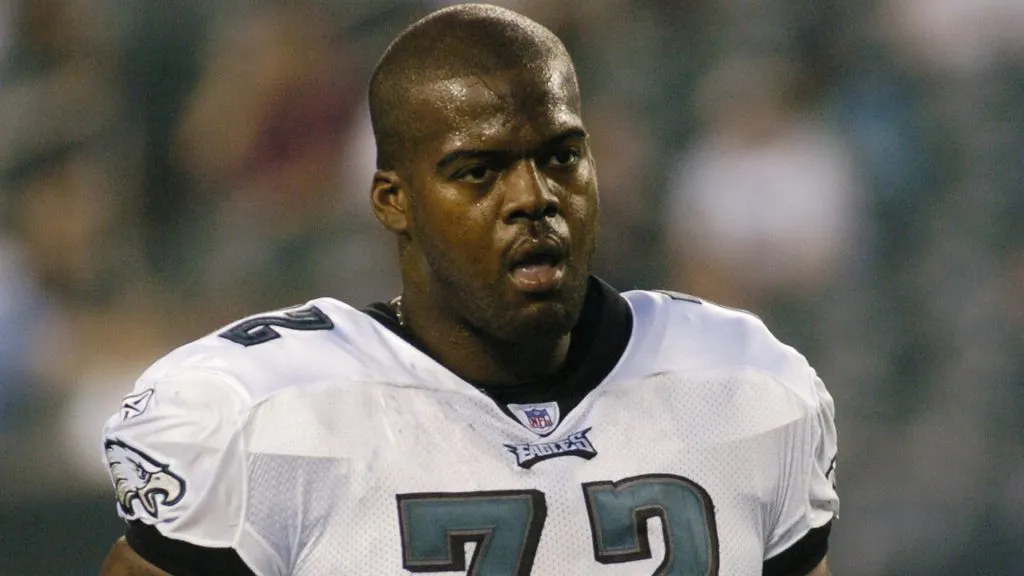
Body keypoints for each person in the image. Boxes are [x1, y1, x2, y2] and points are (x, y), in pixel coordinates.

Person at [98, 4, 838, 575]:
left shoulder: (743, 383)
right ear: (393, 200)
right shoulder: (259, 413)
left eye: (561, 156)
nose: (534, 197)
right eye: (479, 171)